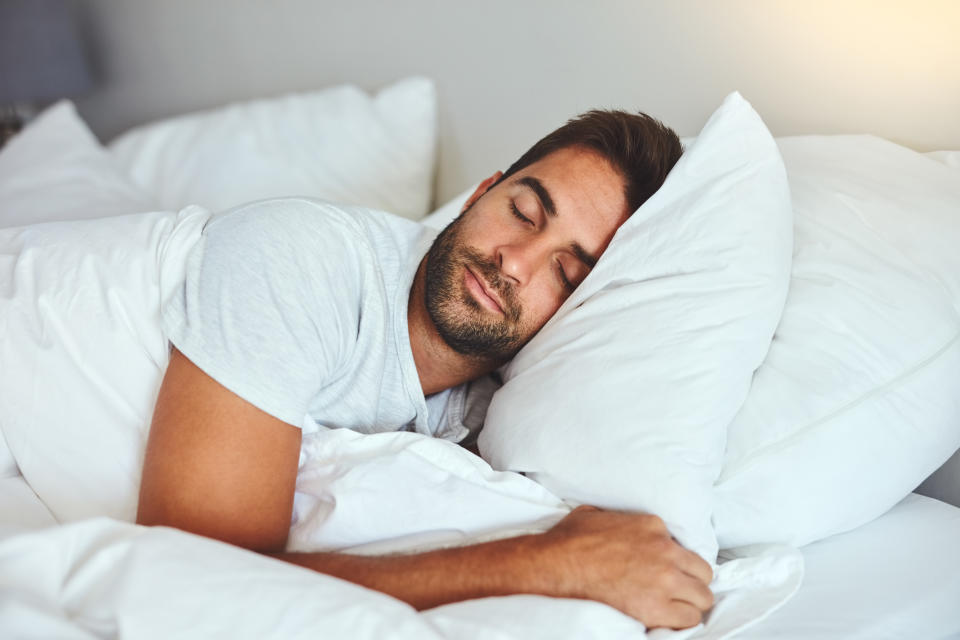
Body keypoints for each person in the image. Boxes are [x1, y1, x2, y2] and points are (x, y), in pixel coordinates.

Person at [136, 109, 715, 629]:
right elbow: (191, 581)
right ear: (480, 193)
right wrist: (548, 564)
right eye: (522, 212)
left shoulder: (494, 422)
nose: (515, 262)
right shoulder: (298, 258)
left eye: (565, 273)